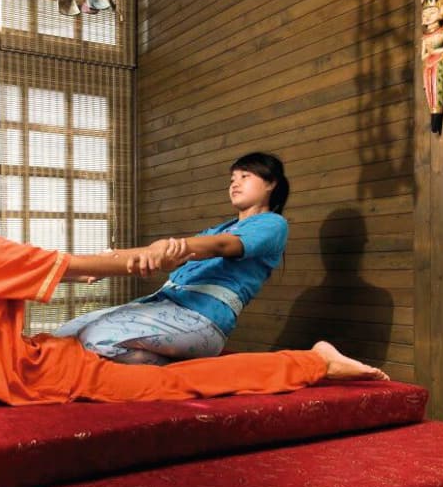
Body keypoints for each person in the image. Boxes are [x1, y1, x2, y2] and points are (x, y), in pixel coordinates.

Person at [0, 165, 387, 407]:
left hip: (191, 321)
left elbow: (79, 265)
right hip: (150, 311)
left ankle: (315, 361)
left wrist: (148, 254)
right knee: (78, 333)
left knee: (172, 382)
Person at [52, 152, 290, 365]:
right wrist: (103, 262)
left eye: (245, 176)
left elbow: (220, 246)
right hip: (163, 304)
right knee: (64, 336)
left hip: (202, 319)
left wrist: (164, 247)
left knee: (95, 340)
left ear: (271, 183)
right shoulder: (217, 229)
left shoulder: (272, 224)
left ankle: (180, 370)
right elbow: (164, 253)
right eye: (232, 179)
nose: (235, 184)